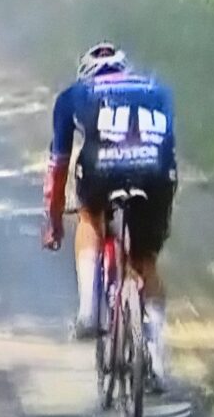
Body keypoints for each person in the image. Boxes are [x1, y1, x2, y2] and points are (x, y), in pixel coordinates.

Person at [42, 42, 177, 388]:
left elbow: (58, 167)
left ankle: (89, 310)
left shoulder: (74, 94)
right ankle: (158, 358)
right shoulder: (156, 88)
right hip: (156, 173)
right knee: (145, 260)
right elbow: (168, 146)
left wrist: (55, 221)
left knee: (89, 216)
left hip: (102, 172)